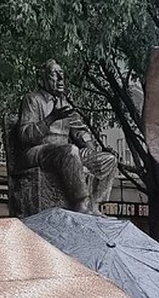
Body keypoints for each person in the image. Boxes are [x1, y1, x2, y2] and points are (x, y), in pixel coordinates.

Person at [15, 59, 118, 214]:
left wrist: (92, 150)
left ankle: (94, 205)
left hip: (66, 154)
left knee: (109, 159)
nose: (60, 78)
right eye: (54, 74)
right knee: (70, 150)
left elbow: (81, 132)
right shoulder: (32, 99)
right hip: (37, 152)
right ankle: (81, 204)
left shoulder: (65, 103)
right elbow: (25, 135)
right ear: (42, 79)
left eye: (61, 74)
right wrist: (51, 118)